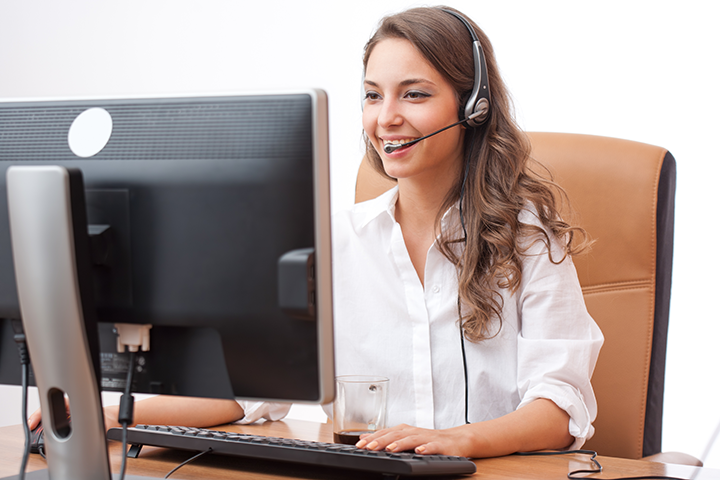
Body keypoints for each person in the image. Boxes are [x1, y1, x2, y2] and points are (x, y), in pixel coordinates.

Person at [29, 5, 603, 459]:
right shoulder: (333, 244)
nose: (386, 119)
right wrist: (113, 412)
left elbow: (560, 408)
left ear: (473, 107)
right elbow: (246, 390)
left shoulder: (528, 244)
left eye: (415, 93)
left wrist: (463, 439)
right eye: (373, 95)